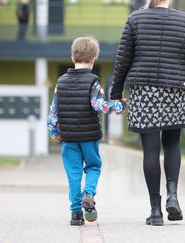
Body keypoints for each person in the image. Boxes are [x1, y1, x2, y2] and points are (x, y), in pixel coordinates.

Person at [110, 0, 185, 226]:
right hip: (175, 90)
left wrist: (116, 94)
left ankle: (155, 212)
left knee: (151, 149)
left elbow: (122, 60)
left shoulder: (135, 19)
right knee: (172, 144)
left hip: (143, 90)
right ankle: (172, 195)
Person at [47, 37, 125, 226]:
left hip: (69, 137)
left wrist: (53, 131)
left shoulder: (61, 82)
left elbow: (53, 110)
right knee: (93, 167)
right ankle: (88, 193)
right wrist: (118, 105)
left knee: (73, 173)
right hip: (89, 136)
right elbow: (98, 105)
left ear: (73, 57)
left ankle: (75, 213)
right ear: (94, 58)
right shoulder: (94, 81)